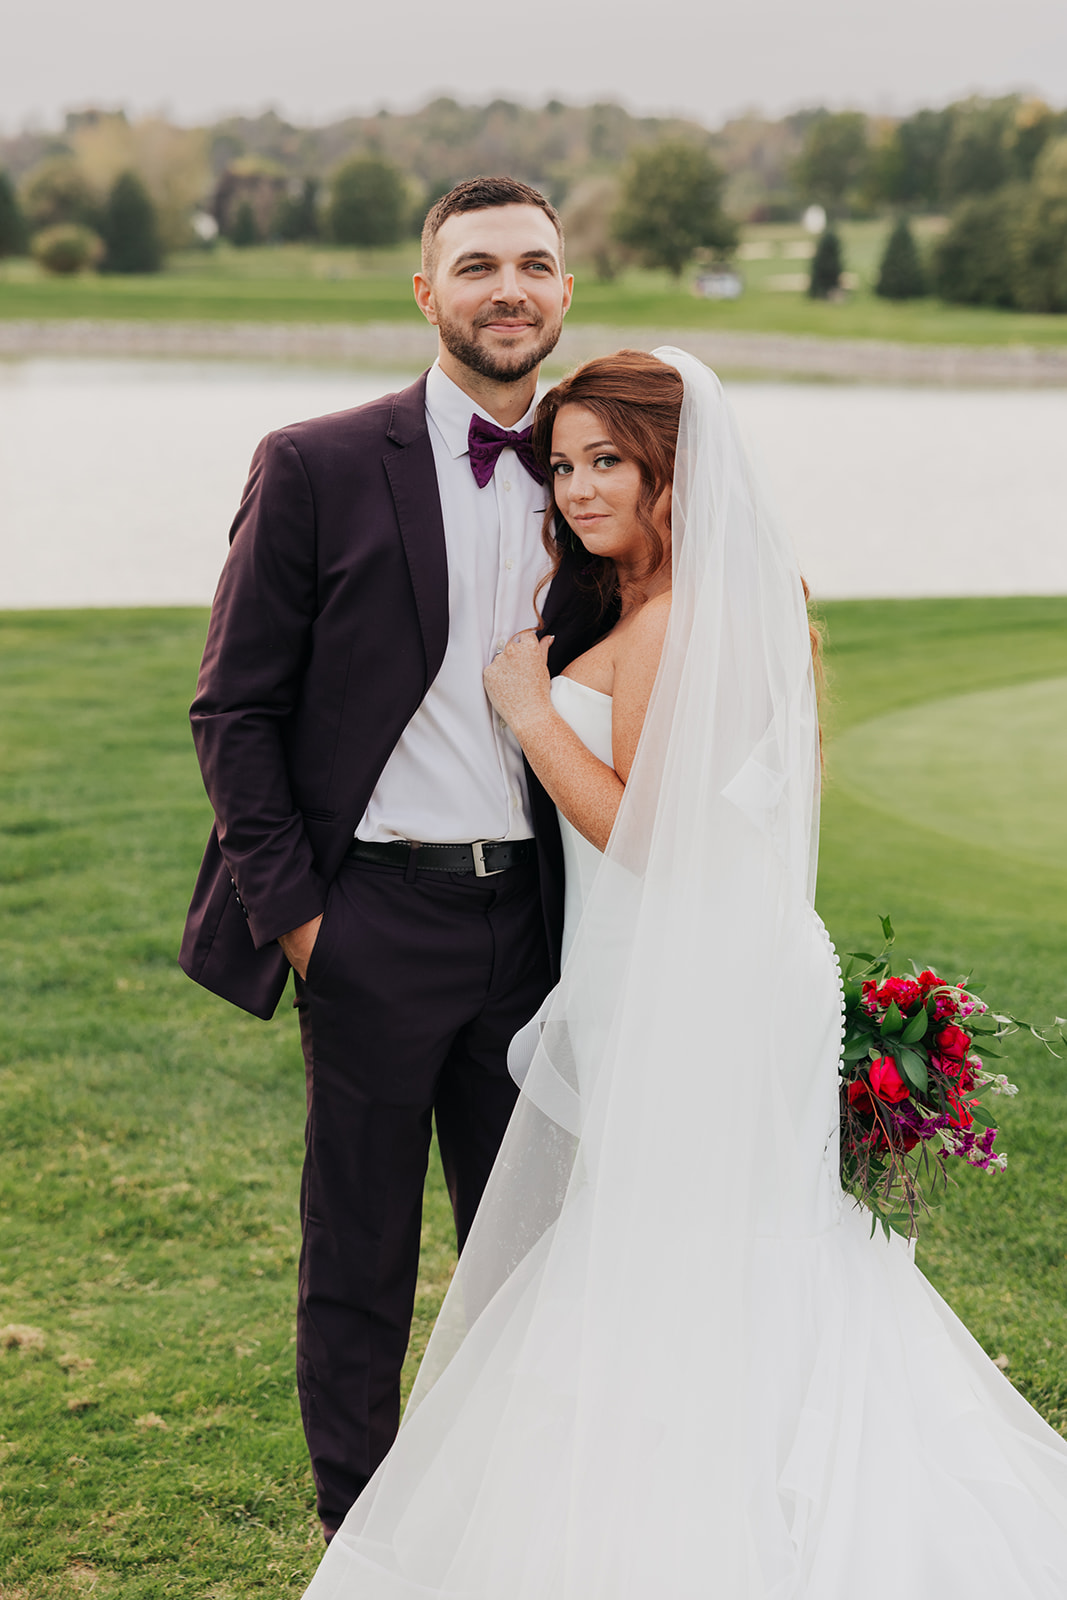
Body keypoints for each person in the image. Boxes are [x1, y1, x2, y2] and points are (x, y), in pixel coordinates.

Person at [301, 348, 1067, 1599]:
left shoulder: (685, 616)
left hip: (696, 983)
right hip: (704, 969)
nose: (578, 487)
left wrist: (529, 711)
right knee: (721, 1254)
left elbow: (657, 831)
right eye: (564, 463)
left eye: (610, 462)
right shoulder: (686, 598)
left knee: (671, 1259)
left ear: (674, 470)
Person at [179, 177, 612, 1543]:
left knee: (529, 1251)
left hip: (535, 931)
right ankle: (360, 1543)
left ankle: (511, 1520)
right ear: (424, 292)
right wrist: (302, 921)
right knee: (359, 1256)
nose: (508, 289)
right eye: (475, 264)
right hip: (368, 916)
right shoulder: (312, 462)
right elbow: (234, 709)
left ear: (562, 292)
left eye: (532, 265)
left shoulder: (597, 470)